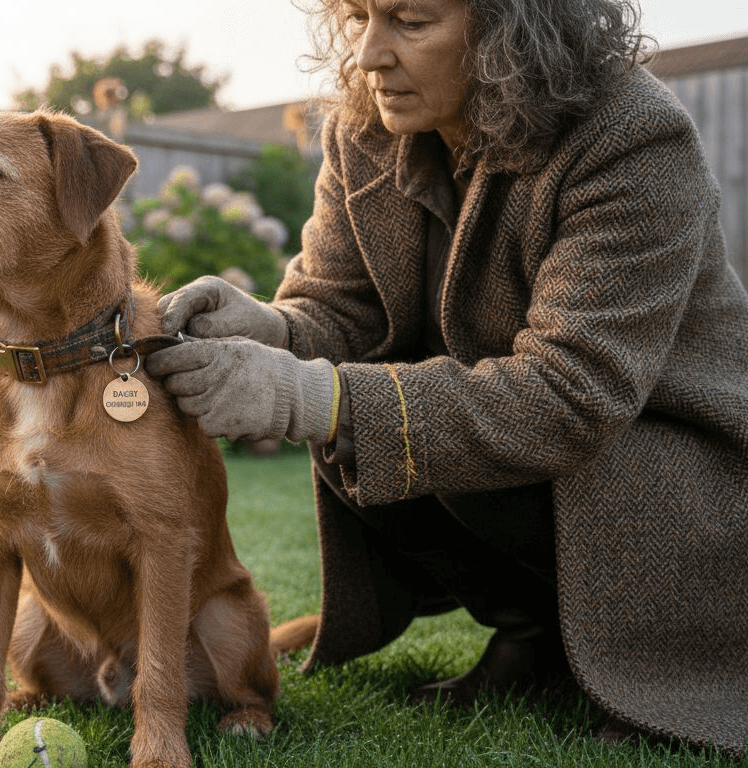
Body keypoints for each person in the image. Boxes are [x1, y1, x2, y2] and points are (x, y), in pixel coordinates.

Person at [144, 0, 748, 755]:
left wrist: (307, 392)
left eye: (410, 20)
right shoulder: (364, 129)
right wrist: (273, 329)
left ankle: (661, 658)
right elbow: (341, 309)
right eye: (359, 15)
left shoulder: (631, 136)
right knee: (368, 420)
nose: (369, 54)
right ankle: (533, 641)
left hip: (676, 462)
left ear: (512, 28)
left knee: (369, 411)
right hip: (541, 436)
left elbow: (572, 394)